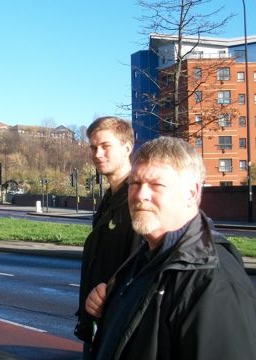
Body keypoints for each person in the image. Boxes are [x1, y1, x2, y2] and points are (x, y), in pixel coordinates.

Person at [86, 136, 256, 360]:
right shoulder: (147, 257)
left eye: (156, 185)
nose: (140, 195)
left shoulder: (213, 280)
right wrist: (109, 309)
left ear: (192, 194)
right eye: (134, 184)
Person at [75, 116, 139, 358]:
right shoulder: (109, 200)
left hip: (118, 330)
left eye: (105, 146)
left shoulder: (136, 200)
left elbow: (138, 268)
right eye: (93, 147)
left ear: (127, 148)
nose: (97, 154)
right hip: (98, 326)